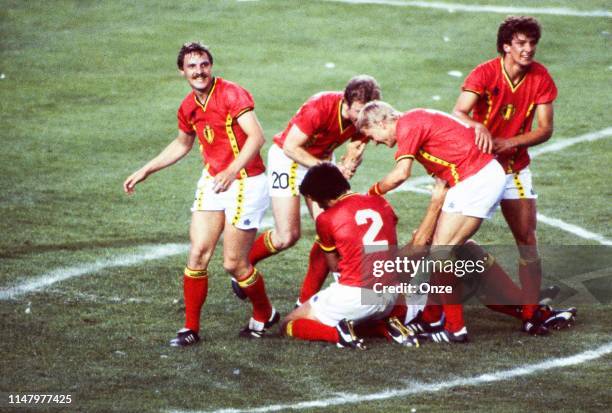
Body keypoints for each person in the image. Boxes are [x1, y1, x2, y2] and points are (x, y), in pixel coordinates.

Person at [123, 42, 278, 347]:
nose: (199, 71)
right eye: (192, 66)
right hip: (214, 179)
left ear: (211, 66)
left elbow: (257, 137)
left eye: (204, 64)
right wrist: (146, 170)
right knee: (197, 254)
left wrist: (232, 170)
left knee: (234, 263)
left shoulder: (232, 93)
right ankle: (190, 327)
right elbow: (182, 144)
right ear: (182, 71)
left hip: (246, 180)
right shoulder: (188, 107)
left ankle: (265, 311)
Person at [452, 16, 575, 335]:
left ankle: (532, 313)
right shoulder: (484, 73)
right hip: (478, 169)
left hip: (514, 170)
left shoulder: (541, 77)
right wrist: (478, 126)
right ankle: (441, 312)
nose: (528, 49)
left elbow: (545, 128)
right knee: (450, 242)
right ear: (506, 46)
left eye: (532, 43)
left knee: (527, 241)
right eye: (521, 43)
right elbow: (459, 112)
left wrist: (510, 143)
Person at [357, 101, 508, 343]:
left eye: (371, 135)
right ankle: (436, 315)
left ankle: (455, 326)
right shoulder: (414, 119)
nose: (374, 142)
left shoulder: (407, 125)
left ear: (381, 122)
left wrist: (370, 195)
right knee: (443, 248)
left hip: (476, 179)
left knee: (441, 250)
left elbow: (400, 174)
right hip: (477, 177)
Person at [234, 76, 382, 305]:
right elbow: (291, 147)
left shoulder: (362, 116)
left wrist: (350, 163)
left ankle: (306, 299)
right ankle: (243, 266)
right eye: (359, 111)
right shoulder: (320, 107)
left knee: (330, 228)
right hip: (290, 161)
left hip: (321, 162)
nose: (363, 118)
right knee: (287, 236)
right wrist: (330, 170)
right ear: (345, 101)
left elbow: (356, 145)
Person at [281, 163, 448, 349]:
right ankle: (385, 327)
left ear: (318, 196)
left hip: (355, 296)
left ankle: (339, 335)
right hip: (390, 296)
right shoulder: (381, 202)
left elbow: (335, 266)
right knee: (362, 312)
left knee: (289, 323)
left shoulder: (325, 219)